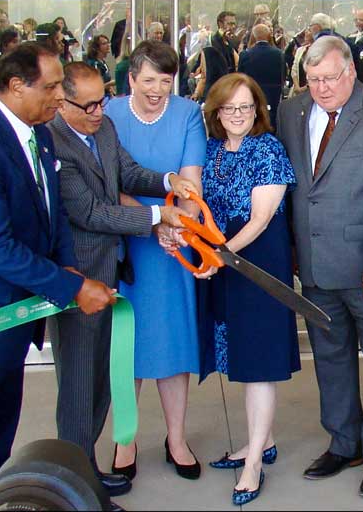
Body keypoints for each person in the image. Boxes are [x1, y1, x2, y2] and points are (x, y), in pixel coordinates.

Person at [0, 43, 114, 496]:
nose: (61, 96)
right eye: (52, 86)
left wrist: (69, 270)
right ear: (16, 86)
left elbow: (52, 212)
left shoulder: (38, 131)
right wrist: (70, 287)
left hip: (15, 320)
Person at [48, 62, 197, 498]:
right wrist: (157, 216)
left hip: (108, 269)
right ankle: (78, 482)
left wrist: (169, 181)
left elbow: (127, 173)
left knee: (95, 381)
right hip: (80, 275)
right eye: (90, 105)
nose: (99, 110)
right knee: (78, 385)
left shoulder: (101, 128)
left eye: (101, 100)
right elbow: (91, 212)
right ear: (63, 102)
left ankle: (86, 472)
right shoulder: (57, 142)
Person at [277, 35, 363, 500]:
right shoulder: (292, 112)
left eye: (330, 78)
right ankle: (344, 442)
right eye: (313, 79)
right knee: (331, 361)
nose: (321, 88)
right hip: (315, 269)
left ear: (351, 72)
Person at [198, 73, 301, 506]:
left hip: (258, 264)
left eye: (246, 107)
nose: (238, 115)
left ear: (259, 109)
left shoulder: (269, 149)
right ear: (216, 112)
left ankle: (254, 462)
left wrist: (217, 254)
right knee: (240, 356)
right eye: (229, 108)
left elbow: (260, 220)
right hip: (223, 262)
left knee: (258, 361)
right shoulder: (211, 149)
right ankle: (264, 440)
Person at [106, 40, 206, 482]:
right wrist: (151, 223)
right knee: (125, 349)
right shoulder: (109, 113)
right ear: (131, 78)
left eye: (165, 82)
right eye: (148, 81)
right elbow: (109, 182)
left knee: (172, 345)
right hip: (125, 242)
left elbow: (190, 181)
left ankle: (177, 438)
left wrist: (176, 226)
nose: (156, 90)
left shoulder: (187, 114)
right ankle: (124, 440)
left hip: (173, 248)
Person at [238, 22, 286, 128]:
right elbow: (283, 76)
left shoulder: (245, 55)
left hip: (252, 95)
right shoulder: (279, 54)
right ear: (269, 35)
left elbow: (240, 78)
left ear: (254, 36)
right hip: (273, 97)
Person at [194, 10, 240, 102]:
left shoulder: (232, 41)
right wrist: (197, 93)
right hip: (214, 89)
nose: (233, 27)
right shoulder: (212, 41)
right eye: (230, 24)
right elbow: (204, 70)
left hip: (230, 88)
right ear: (220, 24)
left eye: (234, 24)